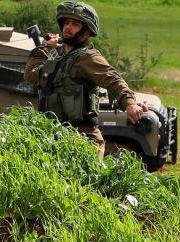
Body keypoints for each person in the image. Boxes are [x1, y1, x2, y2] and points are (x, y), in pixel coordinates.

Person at [24, 1, 145, 159]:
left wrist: (129, 103)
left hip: (83, 140)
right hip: (55, 139)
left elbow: (113, 79)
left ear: (86, 32)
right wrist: (45, 47)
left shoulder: (88, 58)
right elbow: (31, 76)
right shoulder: (60, 62)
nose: (68, 27)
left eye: (75, 24)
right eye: (66, 22)